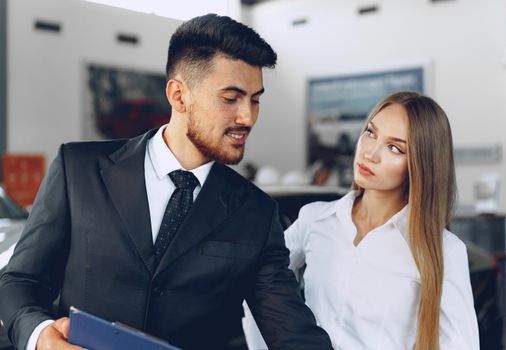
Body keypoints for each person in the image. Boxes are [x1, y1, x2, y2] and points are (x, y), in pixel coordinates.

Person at [0, 14, 333, 350]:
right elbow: (19, 280)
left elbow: (293, 334)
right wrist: (40, 335)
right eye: (231, 98)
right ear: (178, 95)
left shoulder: (256, 213)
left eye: (255, 99)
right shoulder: (79, 170)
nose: (247, 116)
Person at [243, 91, 479, 349]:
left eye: (394, 148)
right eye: (370, 133)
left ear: (421, 164)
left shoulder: (444, 249)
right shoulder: (315, 219)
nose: (370, 153)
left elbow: (460, 344)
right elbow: (257, 283)